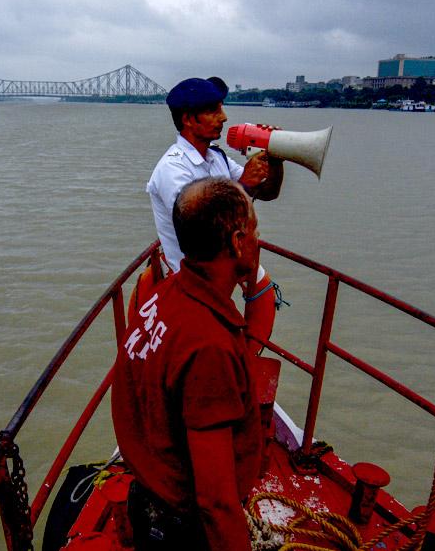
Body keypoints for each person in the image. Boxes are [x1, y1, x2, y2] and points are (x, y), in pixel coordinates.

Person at [112, 178, 263, 551]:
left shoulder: (167, 292)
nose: (260, 242)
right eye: (256, 230)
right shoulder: (209, 345)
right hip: (181, 528)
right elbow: (215, 502)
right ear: (236, 242)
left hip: (148, 493)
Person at [142, 77, 284, 346]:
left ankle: (245, 360)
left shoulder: (215, 157)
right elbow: (201, 229)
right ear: (188, 119)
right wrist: (244, 185)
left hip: (227, 259)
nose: (224, 117)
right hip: (193, 272)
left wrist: (275, 160)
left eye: (222, 108)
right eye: (213, 111)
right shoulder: (173, 169)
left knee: (263, 293)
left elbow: (267, 193)